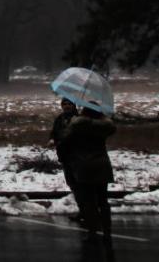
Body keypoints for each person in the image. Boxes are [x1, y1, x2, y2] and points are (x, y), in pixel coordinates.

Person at [62, 105, 117, 238]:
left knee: (89, 201)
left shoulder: (77, 126)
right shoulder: (104, 127)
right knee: (103, 199)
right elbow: (111, 128)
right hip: (102, 164)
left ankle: (92, 231)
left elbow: (65, 140)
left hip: (84, 165)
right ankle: (107, 229)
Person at [50, 98, 80, 211]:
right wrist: (52, 139)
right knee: (70, 181)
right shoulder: (59, 118)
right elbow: (54, 132)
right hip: (64, 154)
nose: (67, 106)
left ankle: (84, 209)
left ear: (74, 105)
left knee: (79, 182)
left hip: (77, 155)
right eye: (64, 104)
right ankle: (79, 206)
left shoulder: (78, 119)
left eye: (69, 104)